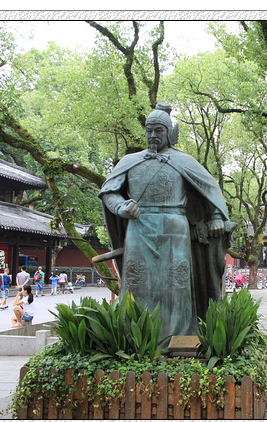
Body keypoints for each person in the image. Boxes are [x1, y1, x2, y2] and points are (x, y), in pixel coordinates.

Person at [98, 105, 235, 341]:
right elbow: (109, 192)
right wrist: (121, 207)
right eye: (149, 130)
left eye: (159, 130)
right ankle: (135, 338)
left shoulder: (184, 161)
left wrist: (215, 216)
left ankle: (180, 336)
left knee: (176, 284)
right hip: (138, 228)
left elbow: (209, 188)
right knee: (137, 282)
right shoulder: (129, 161)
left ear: (170, 133)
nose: (153, 135)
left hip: (175, 229)